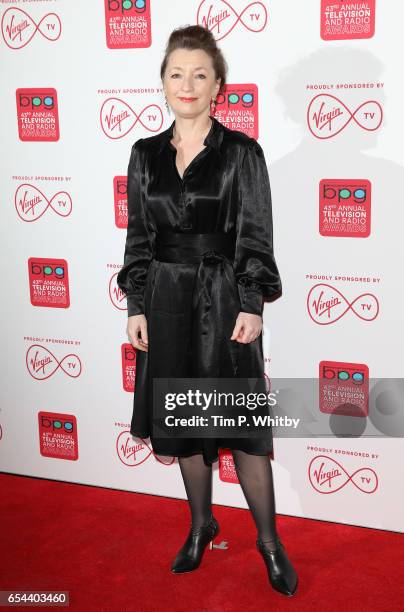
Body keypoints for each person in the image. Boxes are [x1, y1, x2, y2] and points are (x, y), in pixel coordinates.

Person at [117, 25, 298, 596]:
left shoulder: (242, 152)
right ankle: (201, 526)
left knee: (242, 431)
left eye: (200, 74)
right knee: (185, 426)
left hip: (224, 301)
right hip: (166, 301)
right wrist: (136, 305)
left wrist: (252, 302)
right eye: (177, 74)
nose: (187, 84)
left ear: (218, 85)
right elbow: (138, 239)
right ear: (163, 84)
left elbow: (256, 235)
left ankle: (269, 543)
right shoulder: (144, 155)